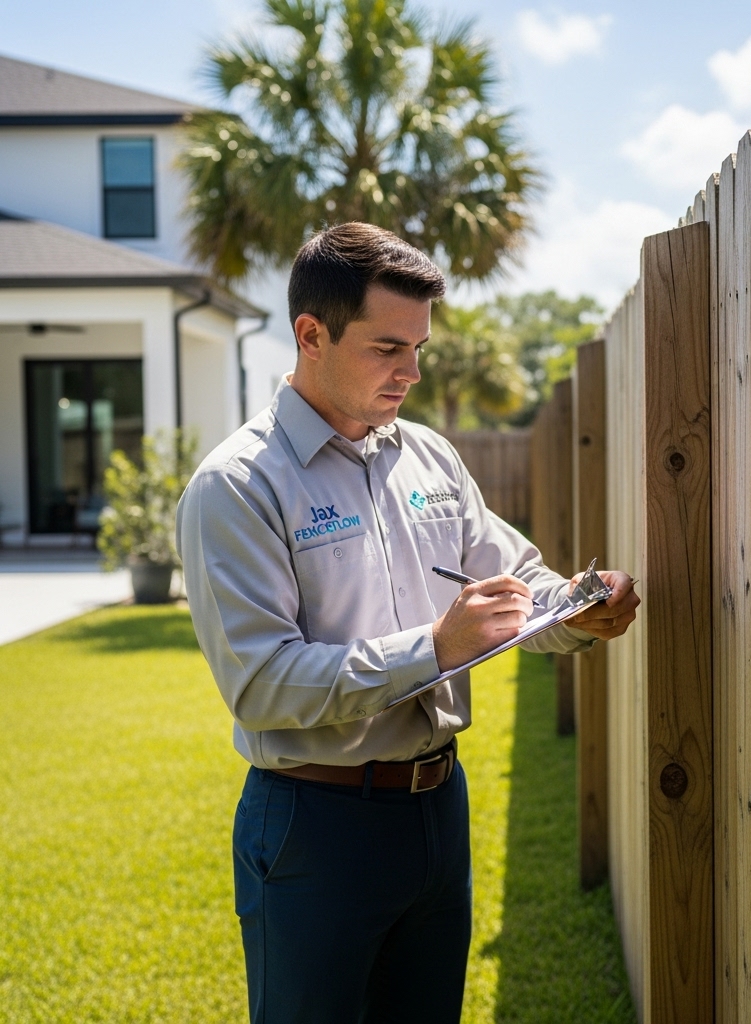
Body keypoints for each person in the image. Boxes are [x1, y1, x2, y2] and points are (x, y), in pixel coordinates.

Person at [176, 222, 639, 1024]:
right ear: (310, 334)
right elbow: (260, 685)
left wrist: (580, 608)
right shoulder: (238, 486)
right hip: (314, 824)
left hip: (437, 809)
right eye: (388, 348)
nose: (413, 372)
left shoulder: (429, 457)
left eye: (418, 347)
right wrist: (434, 648)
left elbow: (518, 581)